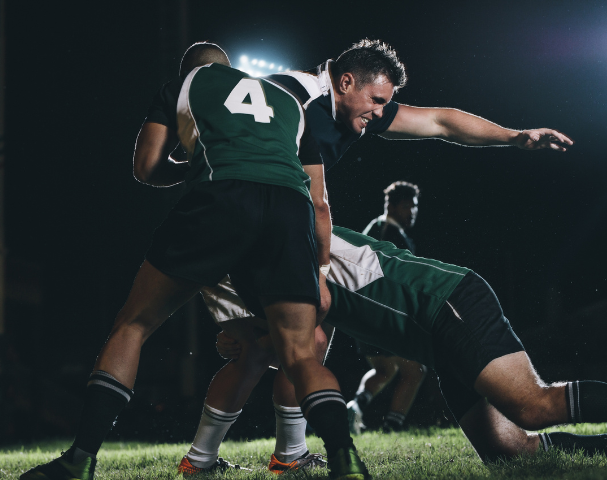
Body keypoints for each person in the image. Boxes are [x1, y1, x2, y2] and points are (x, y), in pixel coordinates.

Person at [182, 38, 574, 474]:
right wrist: (320, 272)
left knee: (307, 340)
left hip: (270, 229)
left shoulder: (341, 102)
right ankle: (203, 459)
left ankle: (283, 454)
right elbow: (316, 204)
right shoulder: (301, 101)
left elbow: (441, 121)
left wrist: (515, 137)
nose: (380, 111)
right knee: (260, 348)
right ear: (345, 81)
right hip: (244, 228)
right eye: (375, 101)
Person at [20, 42, 370, 480]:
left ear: (189, 70)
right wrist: (318, 269)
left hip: (222, 195)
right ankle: (345, 460)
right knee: (301, 352)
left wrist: (193, 168)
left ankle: (80, 459)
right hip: (288, 206)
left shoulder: (183, 86)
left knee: (133, 325)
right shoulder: (287, 99)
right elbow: (317, 199)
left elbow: (146, 167)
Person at [216, 225, 607, 464]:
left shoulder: (289, 237)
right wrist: (249, 338)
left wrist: (257, 339)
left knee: (533, 405)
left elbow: (310, 325)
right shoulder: (257, 264)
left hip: (446, 302)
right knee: (510, 452)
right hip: (433, 340)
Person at [347, 181, 427, 434]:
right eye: (406, 206)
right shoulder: (388, 234)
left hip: (365, 316)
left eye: (414, 207)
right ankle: (393, 427)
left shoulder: (374, 229)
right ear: (390, 206)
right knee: (415, 371)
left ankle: (355, 408)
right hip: (384, 316)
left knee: (384, 370)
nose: (411, 212)